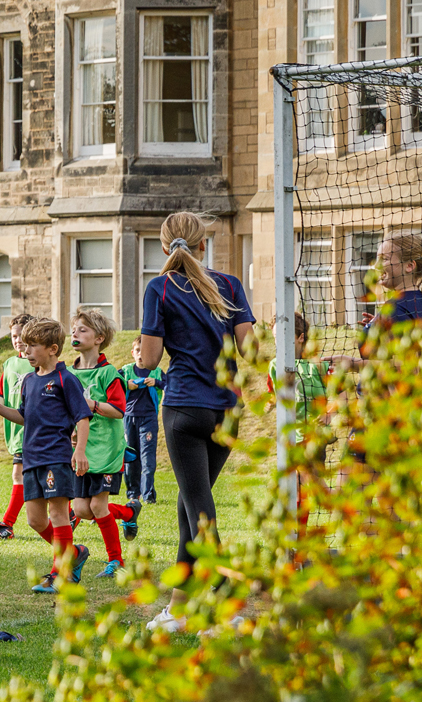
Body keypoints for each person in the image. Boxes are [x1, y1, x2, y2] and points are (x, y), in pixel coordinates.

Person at [133, 211, 255, 633]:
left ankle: (224, 606)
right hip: (226, 410)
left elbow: (148, 361)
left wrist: (144, 356)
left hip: (184, 408)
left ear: (164, 247)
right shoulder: (231, 285)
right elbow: (252, 353)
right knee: (190, 507)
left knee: (199, 511)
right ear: (204, 244)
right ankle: (178, 609)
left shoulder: (158, 288)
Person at [0, 318, 91, 595]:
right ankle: (73, 552)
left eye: (32, 347)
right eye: (25, 346)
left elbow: (83, 417)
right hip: (31, 458)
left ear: (52, 349)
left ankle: (61, 572)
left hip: (56, 457)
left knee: (57, 514)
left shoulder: (66, 379)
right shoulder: (29, 381)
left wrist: (79, 451)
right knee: (35, 521)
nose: (26, 352)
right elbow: (23, 417)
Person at [66, 309, 138, 578]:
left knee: (97, 506)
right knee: (81, 509)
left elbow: (119, 410)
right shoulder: (69, 373)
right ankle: (129, 513)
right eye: (74, 329)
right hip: (81, 450)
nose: (75, 333)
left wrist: (92, 405)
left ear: (99, 338)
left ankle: (115, 560)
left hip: (107, 449)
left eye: (82, 329)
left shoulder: (108, 373)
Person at [0, 313, 37, 539]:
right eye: (14, 336)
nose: (17, 340)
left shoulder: (38, 362)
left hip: (34, 430)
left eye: (21, 336)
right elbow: (2, 393)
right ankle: (70, 513)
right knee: (35, 478)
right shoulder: (10, 363)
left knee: (19, 475)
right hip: (15, 431)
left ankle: (7, 525)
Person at [369, 234, 422, 331]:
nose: (377, 266)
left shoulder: (394, 309)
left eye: (384, 259)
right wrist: (374, 325)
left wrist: (372, 332)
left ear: (409, 266)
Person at [120, 336, 165, 503]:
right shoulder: (125, 371)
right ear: (133, 353)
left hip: (148, 419)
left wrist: (157, 383)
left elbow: (171, 385)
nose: (140, 354)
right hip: (129, 418)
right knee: (131, 457)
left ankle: (148, 496)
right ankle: (133, 494)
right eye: (138, 351)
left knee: (148, 459)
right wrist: (127, 385)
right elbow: (111, 385)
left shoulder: (157, 372)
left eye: (144, 351)